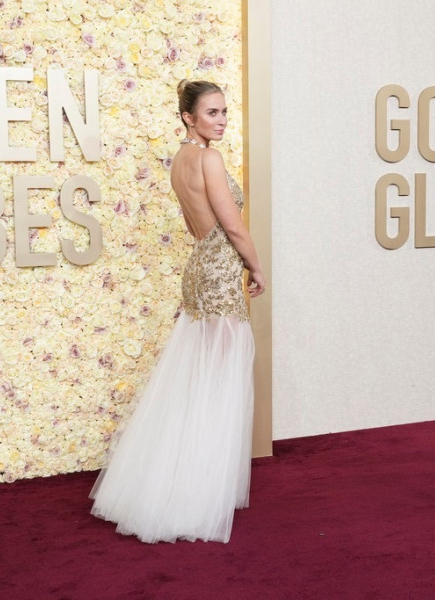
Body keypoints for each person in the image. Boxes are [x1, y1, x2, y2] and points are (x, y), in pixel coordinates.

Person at [90, 80, 266, 542]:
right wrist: (257, 266)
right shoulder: (208, 158)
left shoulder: (179, 161)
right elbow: (232, 225)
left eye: (225, 111)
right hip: (221, 271)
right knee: (219, 382)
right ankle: (194, 493)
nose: (222, 120)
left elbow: (195, 225)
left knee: (200, 377)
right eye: (212, 113)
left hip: (199, 270)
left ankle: (174, 483)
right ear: (189, 117)